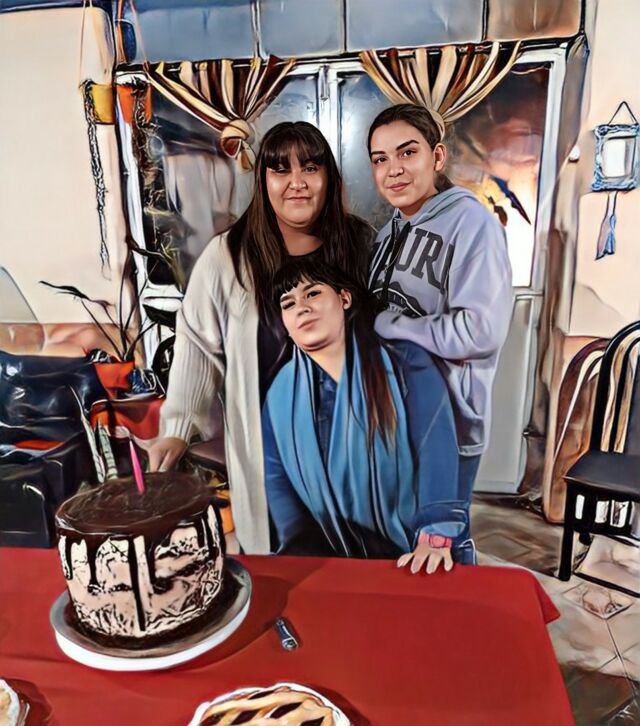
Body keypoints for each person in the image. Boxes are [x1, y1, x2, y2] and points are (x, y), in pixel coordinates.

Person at [149, 122, 372, 553]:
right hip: (270, 456)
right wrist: (177, 428)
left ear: (329, 177)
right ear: (263, 180)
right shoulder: (228, 255)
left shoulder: (360, 245)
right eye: (280, 170)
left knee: (356, 557)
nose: (296, 183)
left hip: (353, 444)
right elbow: (198, 345)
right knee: (284, 557)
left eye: (310, 168)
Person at [367, 103, 513, 562]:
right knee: (405, 544)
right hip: (393, 418)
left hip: (450, 424)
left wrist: (393, 325)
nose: (393, 169)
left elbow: (480, 330)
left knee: (445, 541)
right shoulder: (387, 234)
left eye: (407, 153)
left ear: (437, 156)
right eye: (380, 159)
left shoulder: (473, 225)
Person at [261, 256, 469, 572]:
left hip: (412, 553)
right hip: (327, 560)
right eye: (288, 304)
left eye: (312, 293)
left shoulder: (405, 362)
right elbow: (276, 477)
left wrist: (434, 536)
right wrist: (297, 546)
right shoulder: (279, 394)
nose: (301, 307)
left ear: (344, 298)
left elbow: (436, 451)